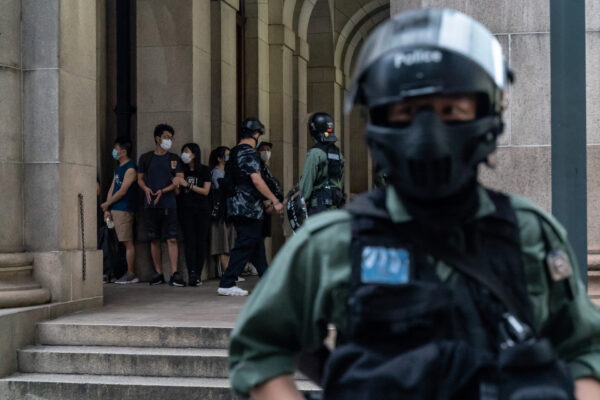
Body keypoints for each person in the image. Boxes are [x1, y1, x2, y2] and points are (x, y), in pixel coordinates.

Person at [228, 9, 600, 400]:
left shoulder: (529, 234)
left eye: (450, 110)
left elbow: (586, 348)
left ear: (488, 114)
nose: (428, 132)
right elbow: (259, 350)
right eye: (405, 112)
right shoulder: (333, 241)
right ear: (379, 122)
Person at [217, 118, 284, 296]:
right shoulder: (248, 152)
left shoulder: (234, 153)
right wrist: (274, 200)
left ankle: (267, 279)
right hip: (247, 208)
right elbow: (256, 179)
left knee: (255, 244)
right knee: (245, 243)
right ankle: (227, 282)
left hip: (237, 206)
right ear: (256, 134)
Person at [137, 123, 185, 287]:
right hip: (150, 204)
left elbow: (178, 179)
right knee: (154, 239)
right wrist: (146, 189)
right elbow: (140, 178)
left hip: (169, 203)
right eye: (166, 137)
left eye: (170, 138)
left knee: (171, 238)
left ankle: (174, 273)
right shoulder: (146, 158)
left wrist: (163, 191)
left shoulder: (174, 159)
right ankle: (158, 273)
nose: (168, 141)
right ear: (157, 138)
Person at [173, 143, 211, 286]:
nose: (184, 154)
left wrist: (187, 185)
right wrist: (176, 184)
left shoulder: (204, 170)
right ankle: (191, 273)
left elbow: (206, 191)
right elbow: (178, 192)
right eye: (183, 152)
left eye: (187, 152)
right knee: (189, 241)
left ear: (194, 154)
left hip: (202, 210)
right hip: (185, 210)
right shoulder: (181, 170)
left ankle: (198, 274)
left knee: (200, 241)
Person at [101, 138, 138, 284]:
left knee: (127, 241)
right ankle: (114, 271)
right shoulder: (118, 167)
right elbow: (112, 187)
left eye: (116, 149)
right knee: (114, 241)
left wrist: (108, 203)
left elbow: (123, 191)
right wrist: (108, 208)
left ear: (123, 151)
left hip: (124, 209)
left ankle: (130, 272)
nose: (114, 151)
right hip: (114, 209)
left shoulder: (130, 168)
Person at [298, 112, 345, 216]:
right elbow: (340, 181)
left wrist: (300, 202)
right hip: (335, 209)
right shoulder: (338, 154)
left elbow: (306, 183)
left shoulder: (315, 153)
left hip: (318, 209)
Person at [209, 146, 237, 276]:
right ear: (219, 158)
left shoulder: (228, 172)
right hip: (221, 212)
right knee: (223, 243)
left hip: (229, 212)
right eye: (226, 155)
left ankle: (230, 270)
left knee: (230, 242)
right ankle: (226, 271)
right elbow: (222, 190)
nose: (228, 158)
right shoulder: (216, 173)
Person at [257, 141, 283, 239]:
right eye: (263, 150)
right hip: (260, 208)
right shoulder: (257, 166)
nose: (266, 152)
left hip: (268, 206)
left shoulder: (266, 168)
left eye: (268, 150)